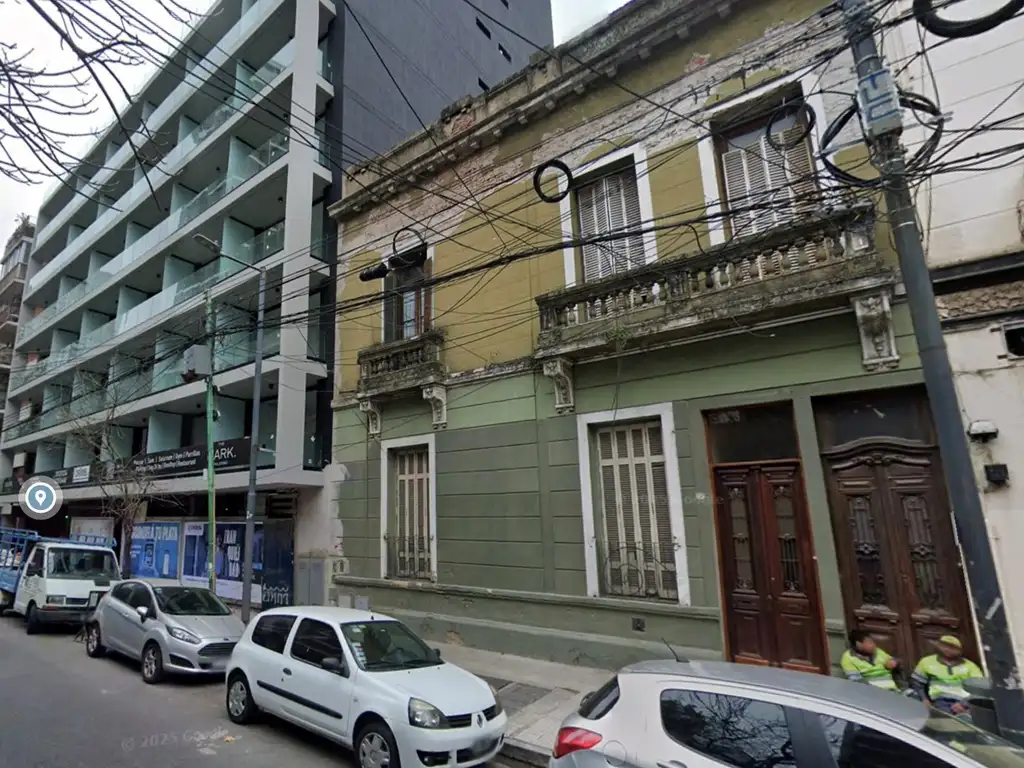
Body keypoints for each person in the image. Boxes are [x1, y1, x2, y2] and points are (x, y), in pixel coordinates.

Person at [910, 635, 985, 716]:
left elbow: (980, 689)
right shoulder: (926, 662)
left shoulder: (970, 666)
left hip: (965, 701)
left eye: (952, 647)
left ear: (960, 650)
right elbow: (917, 683)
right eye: (944, 646)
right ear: (938, 646)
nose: (947, 649)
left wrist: (964, 704)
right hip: (940, 700)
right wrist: (924, 700)